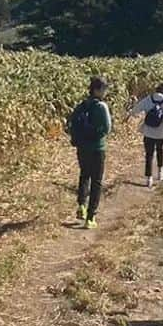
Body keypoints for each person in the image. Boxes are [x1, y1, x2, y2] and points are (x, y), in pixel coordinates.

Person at [68, 76, 113, 229]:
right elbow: (107, 128)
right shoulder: (101, 106)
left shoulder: (82, 105)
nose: (106, 91)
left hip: (82, 148)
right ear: (97, 90)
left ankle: (81, 205)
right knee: (97, 181)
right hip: (97, 148)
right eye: (104, 88)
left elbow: (71, 123)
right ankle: (90, 217)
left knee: (84, 175)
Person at [130, 81, 163, 186]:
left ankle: (149, 179)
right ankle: (160, 172)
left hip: (148, 131)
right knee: (160, 151)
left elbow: (137, 108)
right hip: (160, 132)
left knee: (149, 154)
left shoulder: (149, 98)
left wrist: (128, 116)